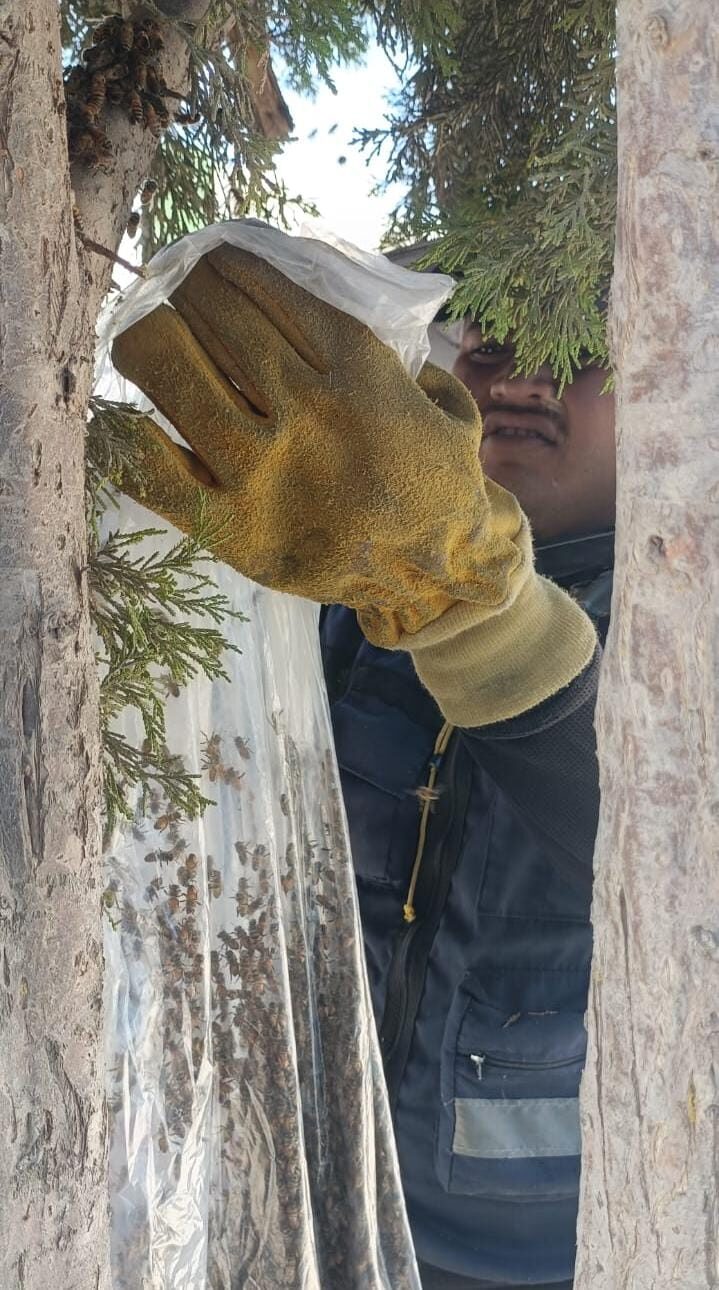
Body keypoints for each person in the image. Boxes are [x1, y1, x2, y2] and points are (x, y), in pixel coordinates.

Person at [111, 245, 615, 1289]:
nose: (523, 378)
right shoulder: (340, 586)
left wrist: (473, 607)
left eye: (582, 352)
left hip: (535, 1259)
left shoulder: (685, 626)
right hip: (274, 1188)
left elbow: (666, 859)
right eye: (496, 341)